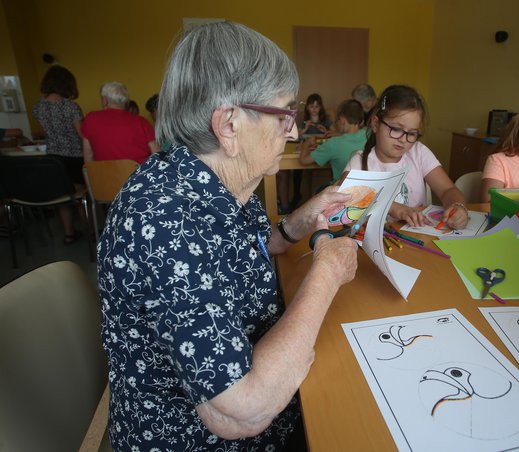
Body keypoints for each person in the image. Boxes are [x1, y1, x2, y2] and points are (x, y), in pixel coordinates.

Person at [97, 21, 358, 451]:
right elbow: (244, 410)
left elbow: (247, 250)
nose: (293, 131)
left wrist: (298, 223)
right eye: (284, 114)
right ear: (230, 124)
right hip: (191, 437)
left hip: (265, 398)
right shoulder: (163, 222)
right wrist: (327, 272)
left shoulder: (220, 178)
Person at [344, 85, 468, 229]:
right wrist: (394, 208)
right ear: (376, 124)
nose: (403, 139)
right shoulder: (359, 161)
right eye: (396, 129)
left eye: (411, 133)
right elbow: (345, 195)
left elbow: (448, 190)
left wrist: (458, 207)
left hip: (415, 238)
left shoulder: (418, 152)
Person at [32, 65, 85, 244]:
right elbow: (81, 134)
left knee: (62, 196)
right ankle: (91, 230)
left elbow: (45, 131)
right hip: (74, 156)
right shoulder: (70, 107)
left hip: (52, 157)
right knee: (81, 196)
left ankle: (68, 233)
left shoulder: (39, 107)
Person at [81, 82, 159, 163]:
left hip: (105, 175)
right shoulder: (141, 122)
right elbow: (157, 154)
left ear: (105, 100)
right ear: (126, 102)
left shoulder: (91, 119)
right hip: (139, 173)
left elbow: (88, 158)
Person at [298, 98, 366, 183]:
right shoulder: (369, 135)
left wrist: (306, 143)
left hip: (340, 190)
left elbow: (303, 160)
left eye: (338, 120)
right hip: (365, 190)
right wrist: (338, 134)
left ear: (342, 119)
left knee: (318, 191)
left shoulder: (333, 143)